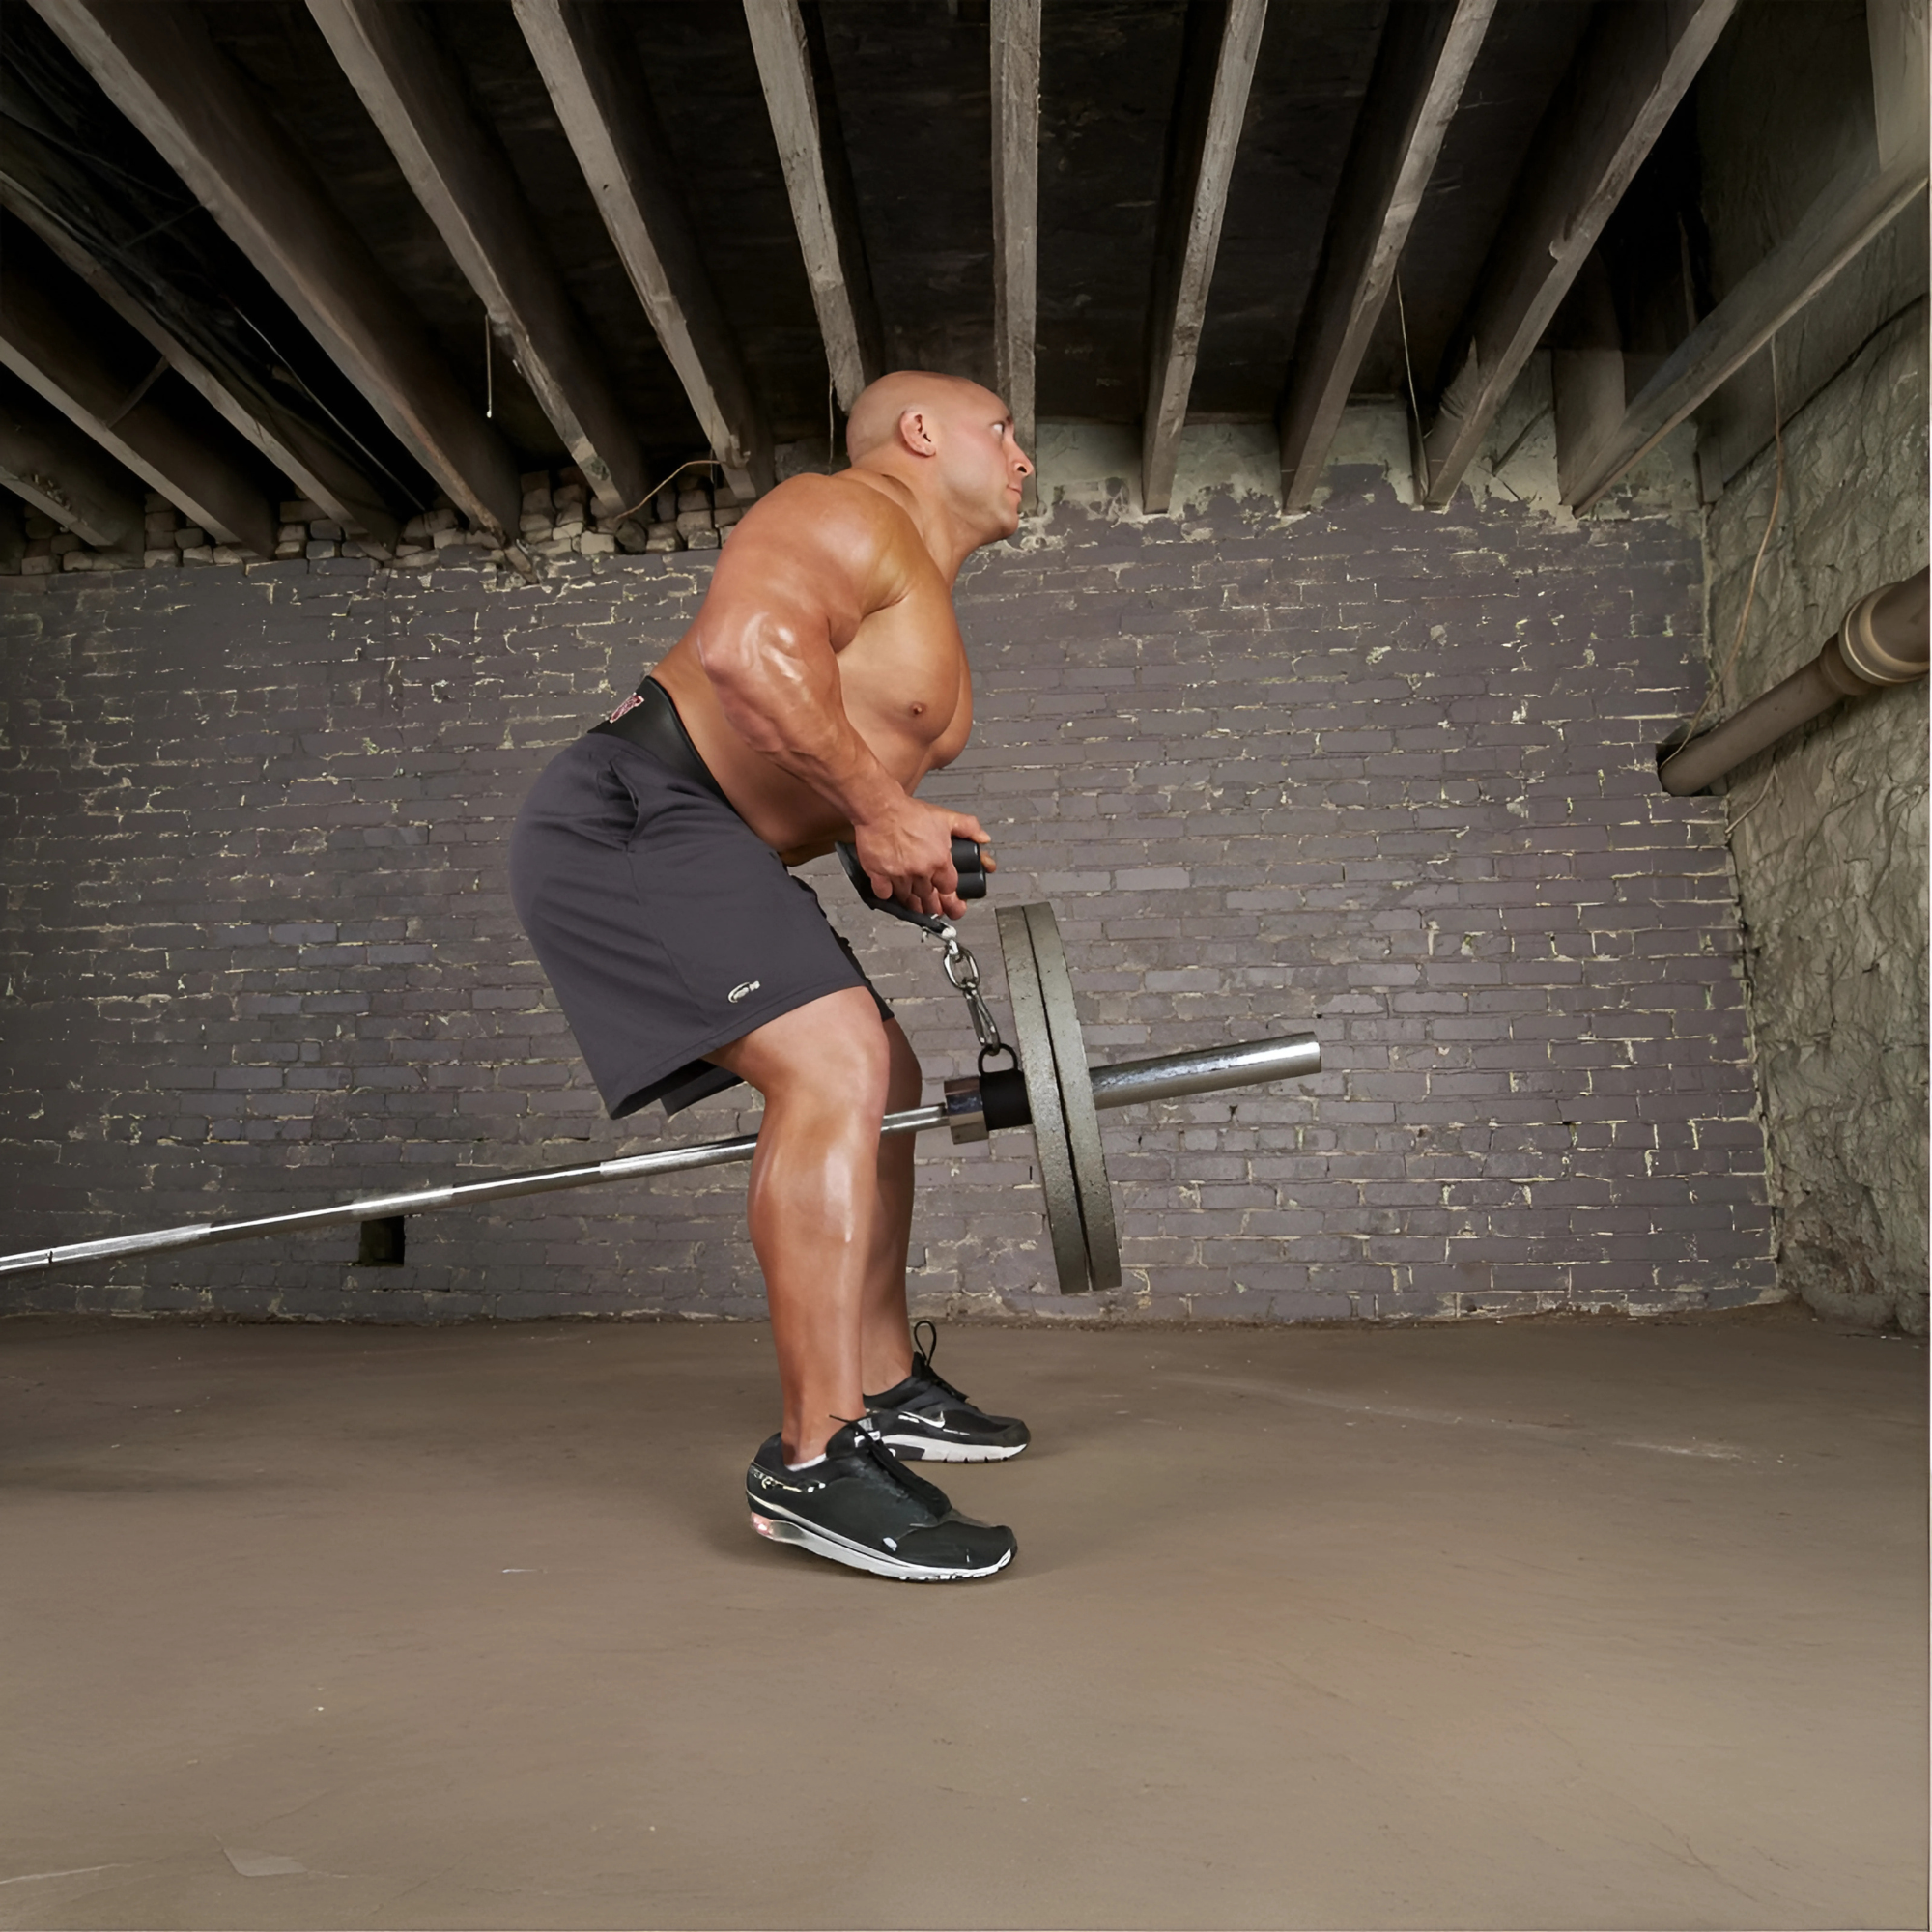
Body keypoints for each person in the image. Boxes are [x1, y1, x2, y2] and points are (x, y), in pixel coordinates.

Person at [509, 371, 1036, 1582]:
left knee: (884, 1075)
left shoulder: (915, 587)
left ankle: (884, 1381)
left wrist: (877, 835)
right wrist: (877, 807)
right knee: (838, 1063)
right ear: (918, 432)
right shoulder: (841, 511)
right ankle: (815, 1459)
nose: (1020, 458)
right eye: (998, 429)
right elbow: (746, 653)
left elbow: (810, 761)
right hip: (634, 812)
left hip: (705, 835)